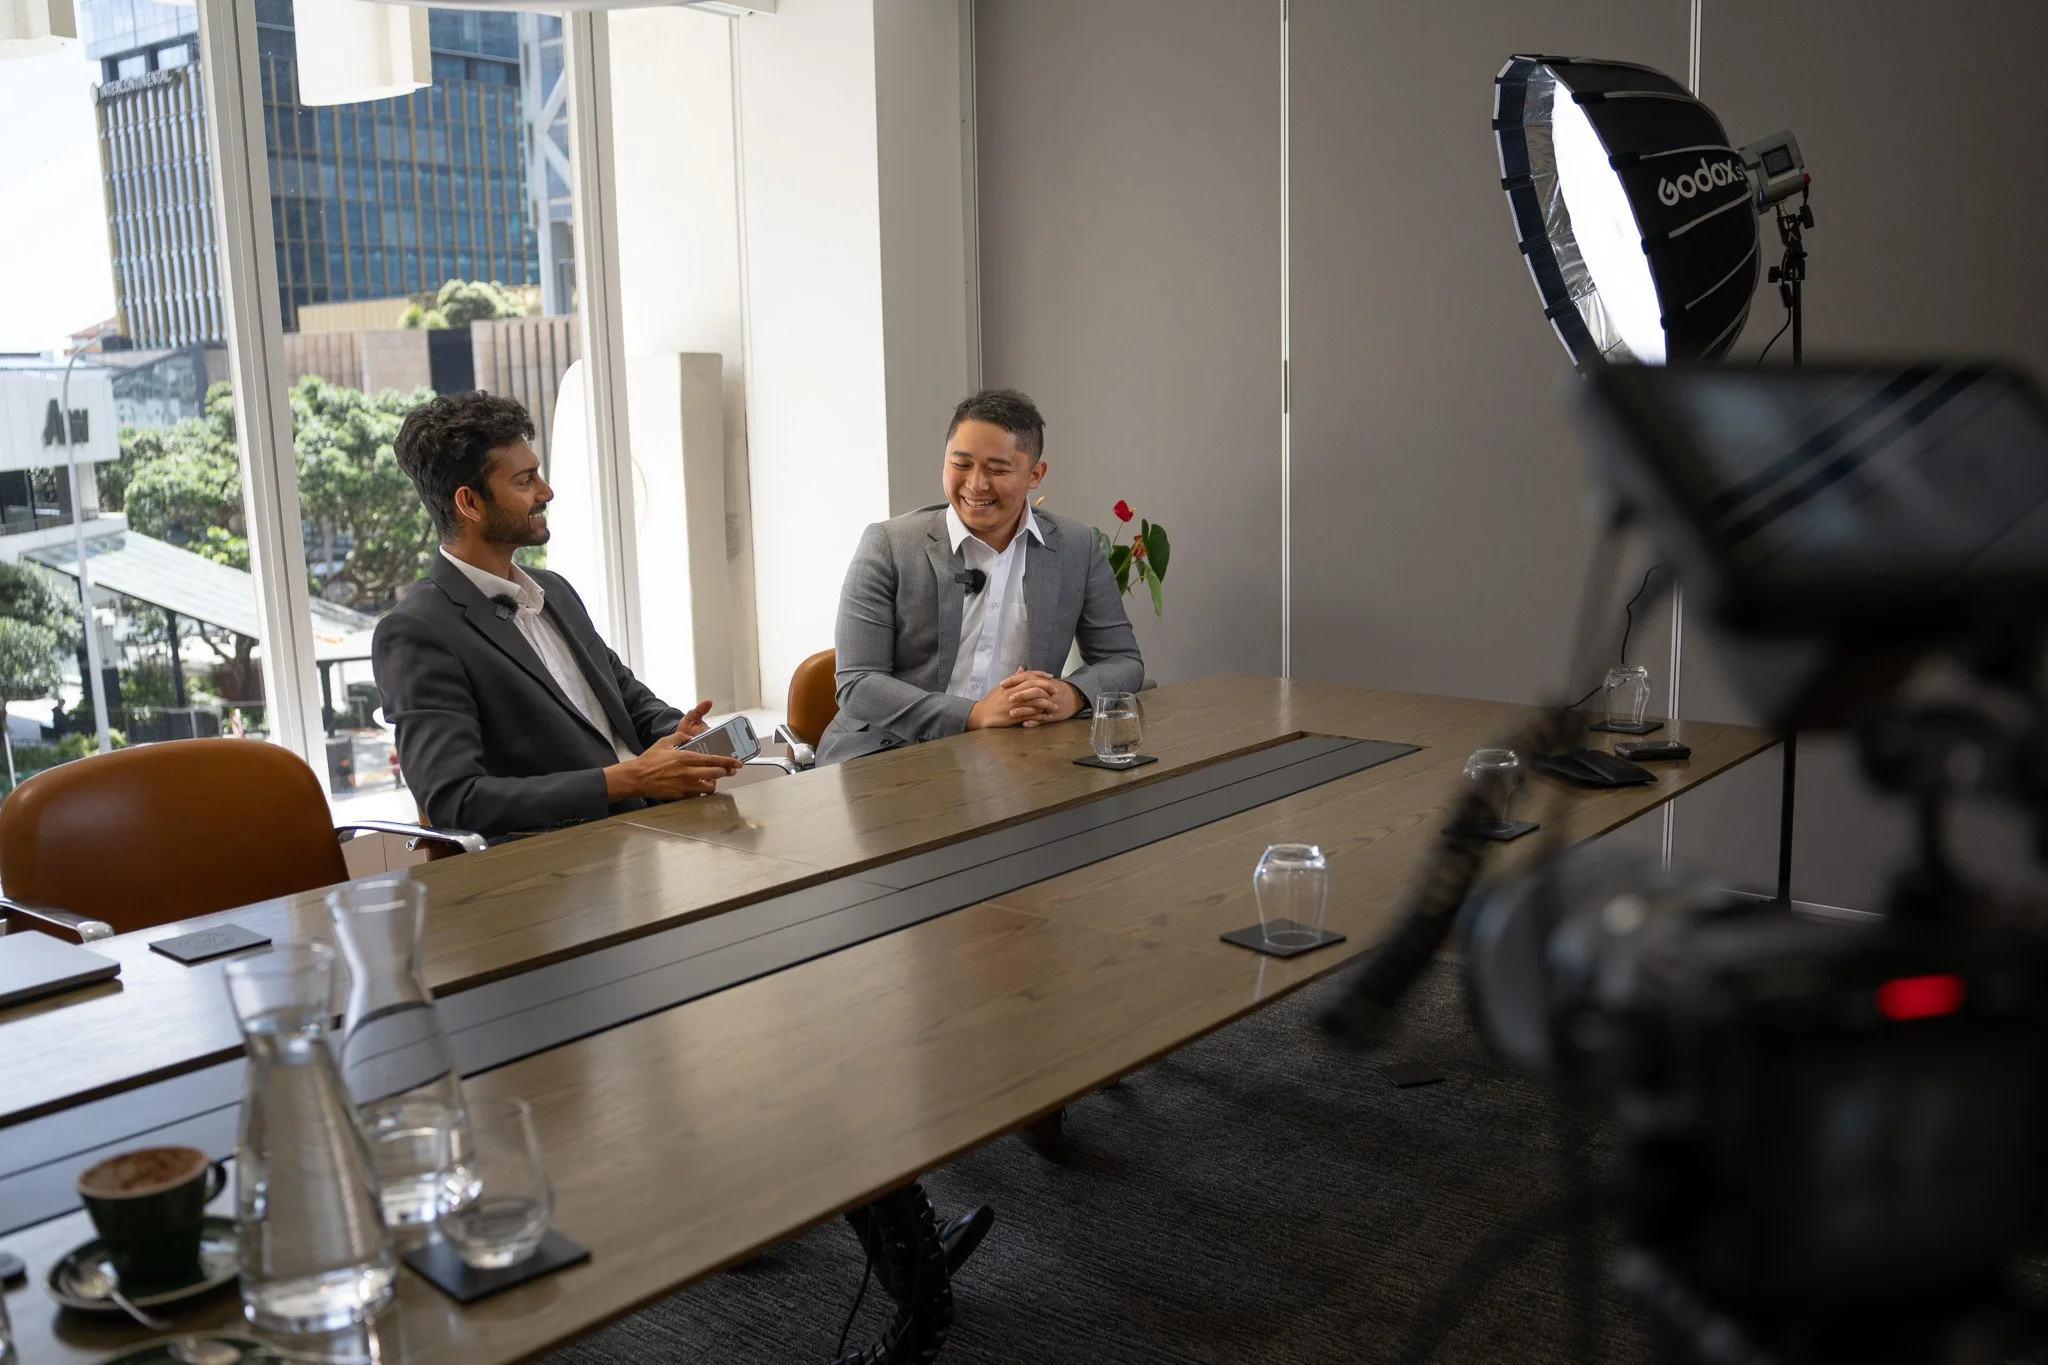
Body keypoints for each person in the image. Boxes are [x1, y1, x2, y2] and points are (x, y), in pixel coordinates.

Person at [373, 391, 741, 840]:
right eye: (525, 481)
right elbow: (456, 799)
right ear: (469, 503)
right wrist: (628, 779)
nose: (546, 492)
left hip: (648, 833)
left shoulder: (555, 590)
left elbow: (624, 697)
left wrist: (680, 736)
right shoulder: (416, 631)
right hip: (557, 868)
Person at [818, 388, 1143, 765]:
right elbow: (858, 684)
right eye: (961, 464)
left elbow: (1122, 659)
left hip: (1014, 759)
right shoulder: (887, 545)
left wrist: (1070, 694)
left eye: (997, 469)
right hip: (889, 754)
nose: (976, 484)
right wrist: (972, 715)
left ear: (1035, 474)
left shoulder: (1076, 547)